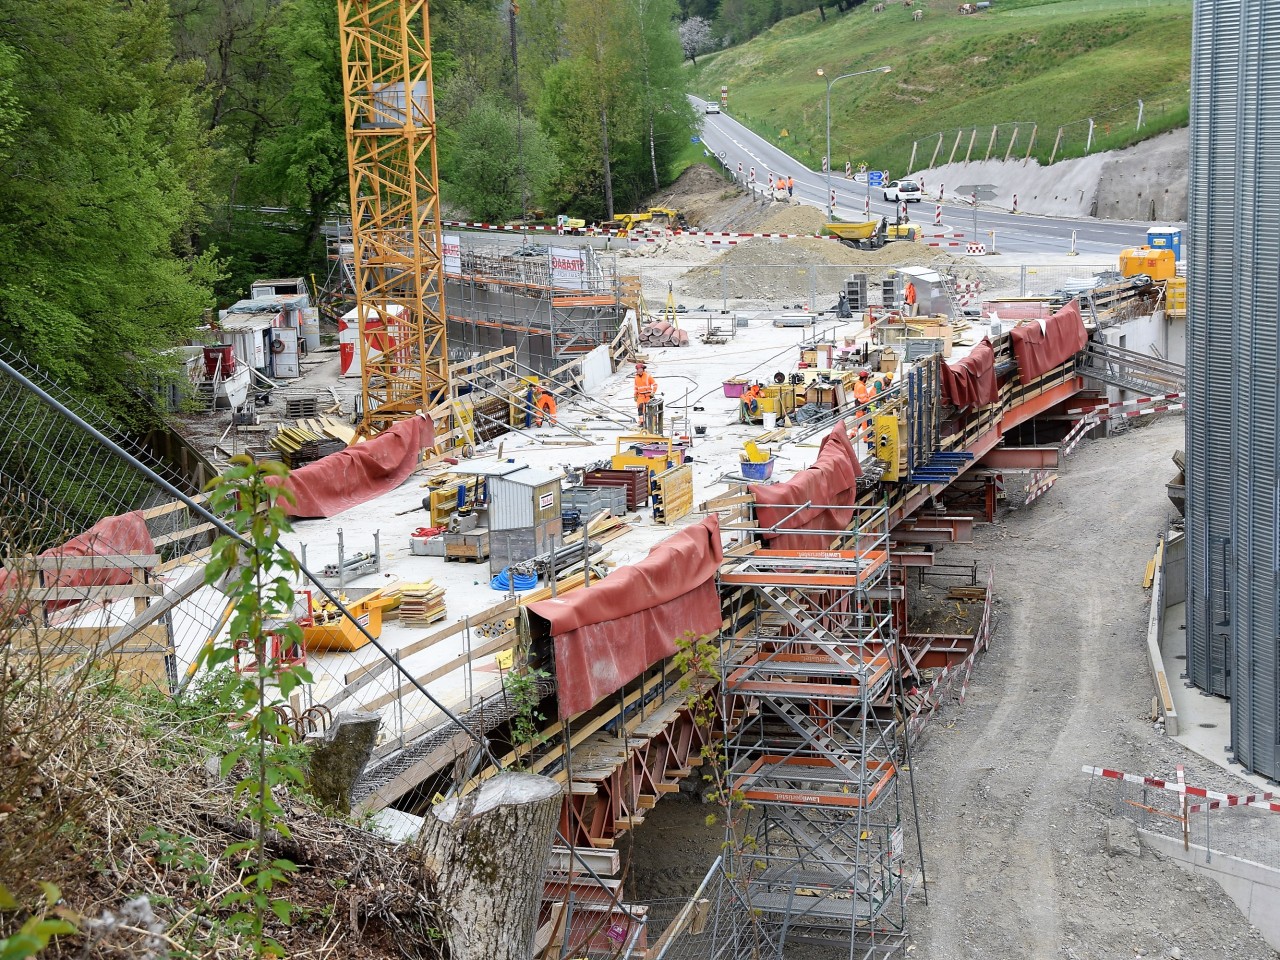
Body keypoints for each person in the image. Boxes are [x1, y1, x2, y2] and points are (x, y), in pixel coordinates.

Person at [634, 361, 657, 427]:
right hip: (640, 396)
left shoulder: (648, 376)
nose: (639, 371)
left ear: (643, 370)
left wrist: (653, 392)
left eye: (640, 370)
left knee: (651, 409)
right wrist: (635, 395)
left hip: (648, 396)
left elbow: (655, 385)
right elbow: (636, 387)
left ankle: (654, 422)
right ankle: (642, 422)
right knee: (640, 409)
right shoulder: (636, 378)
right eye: (638, 370)